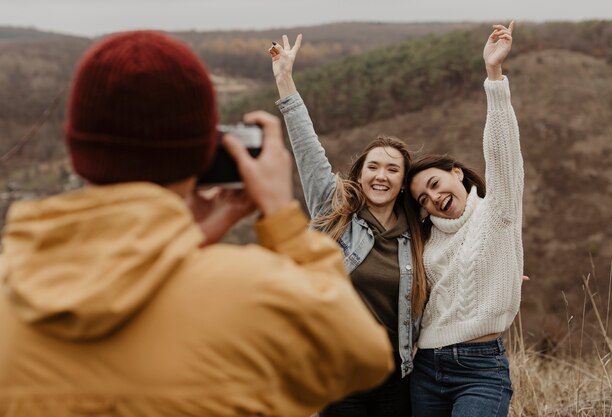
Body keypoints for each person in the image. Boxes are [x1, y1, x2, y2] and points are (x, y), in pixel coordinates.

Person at [0, 30, 395, 417]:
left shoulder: (9, 285)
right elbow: (363, 355)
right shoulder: (250, 294)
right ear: (206, 152)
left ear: (76, 148)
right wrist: (281, 220)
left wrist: (186, 237)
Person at [269, 35, 428, 416]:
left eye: (392, 169)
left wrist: (499, 272)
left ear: (403, 182)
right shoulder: (335, 211)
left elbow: (459, 246)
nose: (381, 176)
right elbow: (307, 148)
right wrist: (284, 79)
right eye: (373, 166)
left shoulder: (419, 233)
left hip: (397, 378)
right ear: (360, 173)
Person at [406, 22, 522, 417]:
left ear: (456, 173)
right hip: (425, 368)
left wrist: (494, 76)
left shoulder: (497, 211)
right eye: (424, 198)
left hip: (479, 369)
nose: (435, 198)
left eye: (436, 184)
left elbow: (503, 151)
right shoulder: (426, 238)